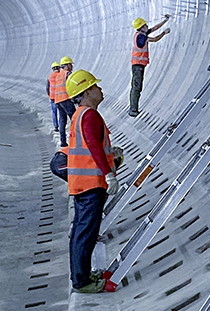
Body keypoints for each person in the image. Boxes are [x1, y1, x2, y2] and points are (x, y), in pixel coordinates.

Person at [65, 69, 119, 293]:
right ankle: (82, 281)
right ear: (86, 92)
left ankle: (82, 274)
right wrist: (108, 174)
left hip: (81, 183)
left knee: (80, 232)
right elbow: (94, 147)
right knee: (85, 234)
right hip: (91, 185)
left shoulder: (79, 114)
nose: (100, 89)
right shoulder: (89, 115)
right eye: (95, 86)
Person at [129, 15, 170, 117]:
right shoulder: (141, 37)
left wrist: (165, 21)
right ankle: (133, 109)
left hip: (137, 65)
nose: (147, 26)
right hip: (138, 65)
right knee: (136, 87)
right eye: (145, 25)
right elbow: (155, 39)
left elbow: (154, 28)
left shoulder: (139, 34)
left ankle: (133, 108)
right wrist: (164, 33)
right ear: (141, 27)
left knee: (136, 86)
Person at [52, 56, 75, 147]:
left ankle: (63, 141)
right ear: (67, 65)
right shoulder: (67, 74)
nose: (72, 67)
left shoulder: (58, 75)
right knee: (74, 119)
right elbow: (72, 86)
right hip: (66, 99)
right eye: (70, 64)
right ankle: (76, 139)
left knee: (62, 120)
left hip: (58, 100)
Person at [46, 61, 61, 134]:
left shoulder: (49, 76)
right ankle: (62, 127)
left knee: (54, 112)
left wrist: (49, 95)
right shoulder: (61, 76)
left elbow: (47, 87)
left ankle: (56, 126)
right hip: (60, 96)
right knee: (61, 113)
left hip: (52, 97)